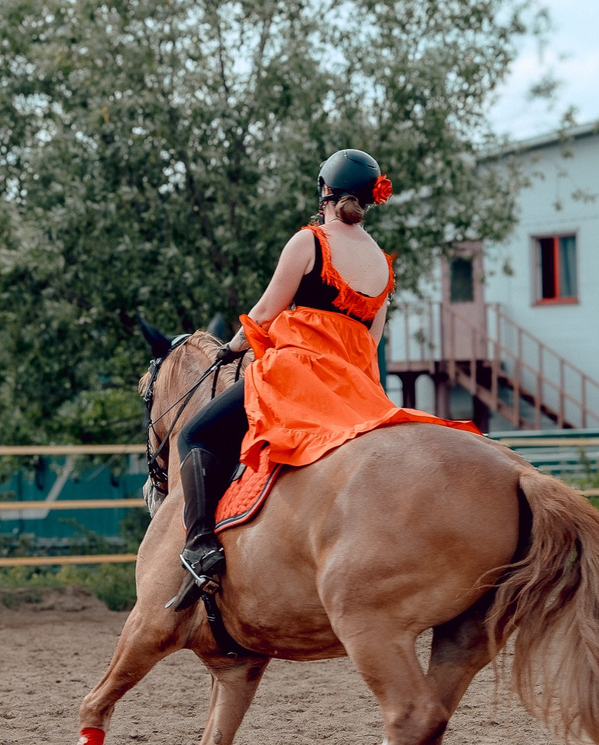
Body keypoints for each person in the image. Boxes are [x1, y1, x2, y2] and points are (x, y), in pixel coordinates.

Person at [173, 149, 472, 593]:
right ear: (370, 200)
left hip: (298, 372)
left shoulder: (310, 241)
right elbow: (369, 344)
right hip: (352, 387)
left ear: (324, 192)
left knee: (194, 435)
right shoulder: (382, 267)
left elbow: (268, 310)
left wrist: (232, 348)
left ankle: (199, 547)